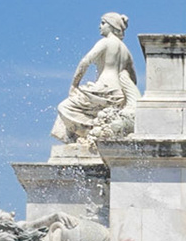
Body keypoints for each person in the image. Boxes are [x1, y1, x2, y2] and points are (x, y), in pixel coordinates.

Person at [51, 12, 139, 145]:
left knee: (64, 107)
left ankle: (87, 137)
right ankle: (97, 134)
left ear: (112, 26)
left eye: (103, 23)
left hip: (103, 89)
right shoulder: (126, 51)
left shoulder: (105, 42)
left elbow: (85, 62)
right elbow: (133, 79)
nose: (100, 26)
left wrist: (74, 85)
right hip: (119, 94)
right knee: (95, 114)